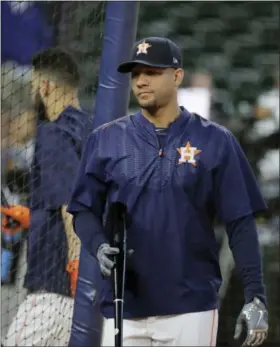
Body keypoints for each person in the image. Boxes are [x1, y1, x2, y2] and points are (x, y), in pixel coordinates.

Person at [67, 37, 269, 346]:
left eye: (152, 72)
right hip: (124, 305)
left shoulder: (216, 140)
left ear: (177, 76)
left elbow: (240, 222)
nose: (141, 81)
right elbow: (83, 209)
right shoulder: (105, 140)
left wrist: (255, 297)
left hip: (190, 308)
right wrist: (97, 245)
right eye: (135, 74)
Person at [2, 47, 91, 347]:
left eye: (32, 87)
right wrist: (31, 217)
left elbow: (71, 205)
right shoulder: (91, 130)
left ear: (45, 86)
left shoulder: (52, 133)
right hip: (85, 296)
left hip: (54, 288)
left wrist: (75, 262)